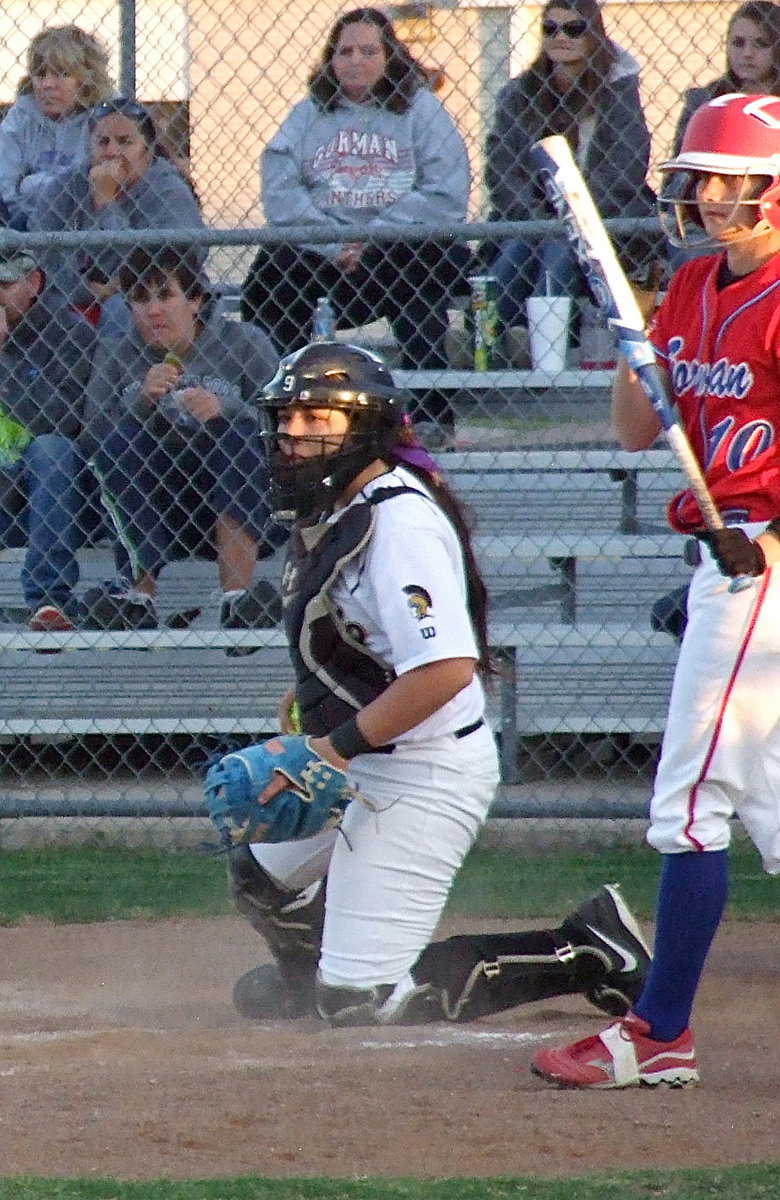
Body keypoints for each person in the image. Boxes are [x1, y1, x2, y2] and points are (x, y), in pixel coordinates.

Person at [219, 339, 652, 1026]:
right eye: (288, 419)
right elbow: (354, 636)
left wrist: (329, 752)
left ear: (366, 430)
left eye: (318, 420)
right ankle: (311, 980)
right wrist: (311, 710)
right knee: (260, 872)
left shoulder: (400, 520)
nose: (294, 436)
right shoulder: (339, 507)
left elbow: (447, 669)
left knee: (361, 1006)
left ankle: (586, 948)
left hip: (424, 768)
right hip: (367, 754)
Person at [531, 93, 780, 1090]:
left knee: (690, 803)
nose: (709, 195)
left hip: (760, 563)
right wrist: (637, 344)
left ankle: (661, 1031)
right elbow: (641, 430)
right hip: (727, 560)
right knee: (766, 803)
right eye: (700, 180)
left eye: (728, 179)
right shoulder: (691, 288)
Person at [240, 7, 474, 446]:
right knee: (268, 276)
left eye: (369, 50)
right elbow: (279, 187)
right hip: (326, 253)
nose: (355, 61)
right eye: (345, 51)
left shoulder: (420, 109)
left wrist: (377, 234)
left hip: (397, 250)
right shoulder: (310, 112)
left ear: (391, 56)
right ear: (330, 60)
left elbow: (447, 193)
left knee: (419, 262)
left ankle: (431, 413)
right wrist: (329, 241)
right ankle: (284, 406)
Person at [81, 247, 283, 636]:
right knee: (121, 440)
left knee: (240, 436)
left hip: (237, 499)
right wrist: (139, 402)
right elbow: (91, 438)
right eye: (139, 300)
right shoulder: (117, 351)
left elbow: (286, 421)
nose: (153, 311)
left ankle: (238, 599)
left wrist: (226, 408)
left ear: (195, 300)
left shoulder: (242, 342)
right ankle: (138, 598)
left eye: (165, 295)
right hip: (154, 505)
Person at [484, 0, 658, 344]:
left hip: (603, 223)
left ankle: (531, 342)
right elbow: (502, 171)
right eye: (550, 28)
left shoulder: (618, 93)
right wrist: (536, 218)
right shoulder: (519, 94)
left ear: (593, 34)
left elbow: (624, 172)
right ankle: (495, 341)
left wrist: (573, 214)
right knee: (526, 242)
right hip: (533, 221)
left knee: (560, 244)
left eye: (573, 28)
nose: (560, 37)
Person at [28, 97, 203, 331]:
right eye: (102, 142)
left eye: (124, 142)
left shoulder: (169, 191)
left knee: (118, 309)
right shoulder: (67, 185)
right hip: (72, 295)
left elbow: (166, 269)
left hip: (143, 298)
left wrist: (106, 203)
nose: (111, 151)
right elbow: (41, 255)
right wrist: (85, 290)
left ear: (148, 151)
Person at [0, 250, 96, 631]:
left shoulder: (68, 333)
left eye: (4, 286)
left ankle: (49, 598)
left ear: (33, 283)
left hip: (32, 496)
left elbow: (60, 419)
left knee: (52, 449)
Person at [0, 24, 114, 230]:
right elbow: (6, 186)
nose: (47, 84)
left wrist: (29, 184)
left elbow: (87, 190)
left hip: (84, 226)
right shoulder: (21, 116)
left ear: (86, 79)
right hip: (20, 222)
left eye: (61, 73)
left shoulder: (105, 119)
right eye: (40, 74)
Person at [671, 2, 780, 156]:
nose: (747, 53)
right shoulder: (705, 101)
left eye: (761, 44)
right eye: (738, 43)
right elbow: (678, 171)